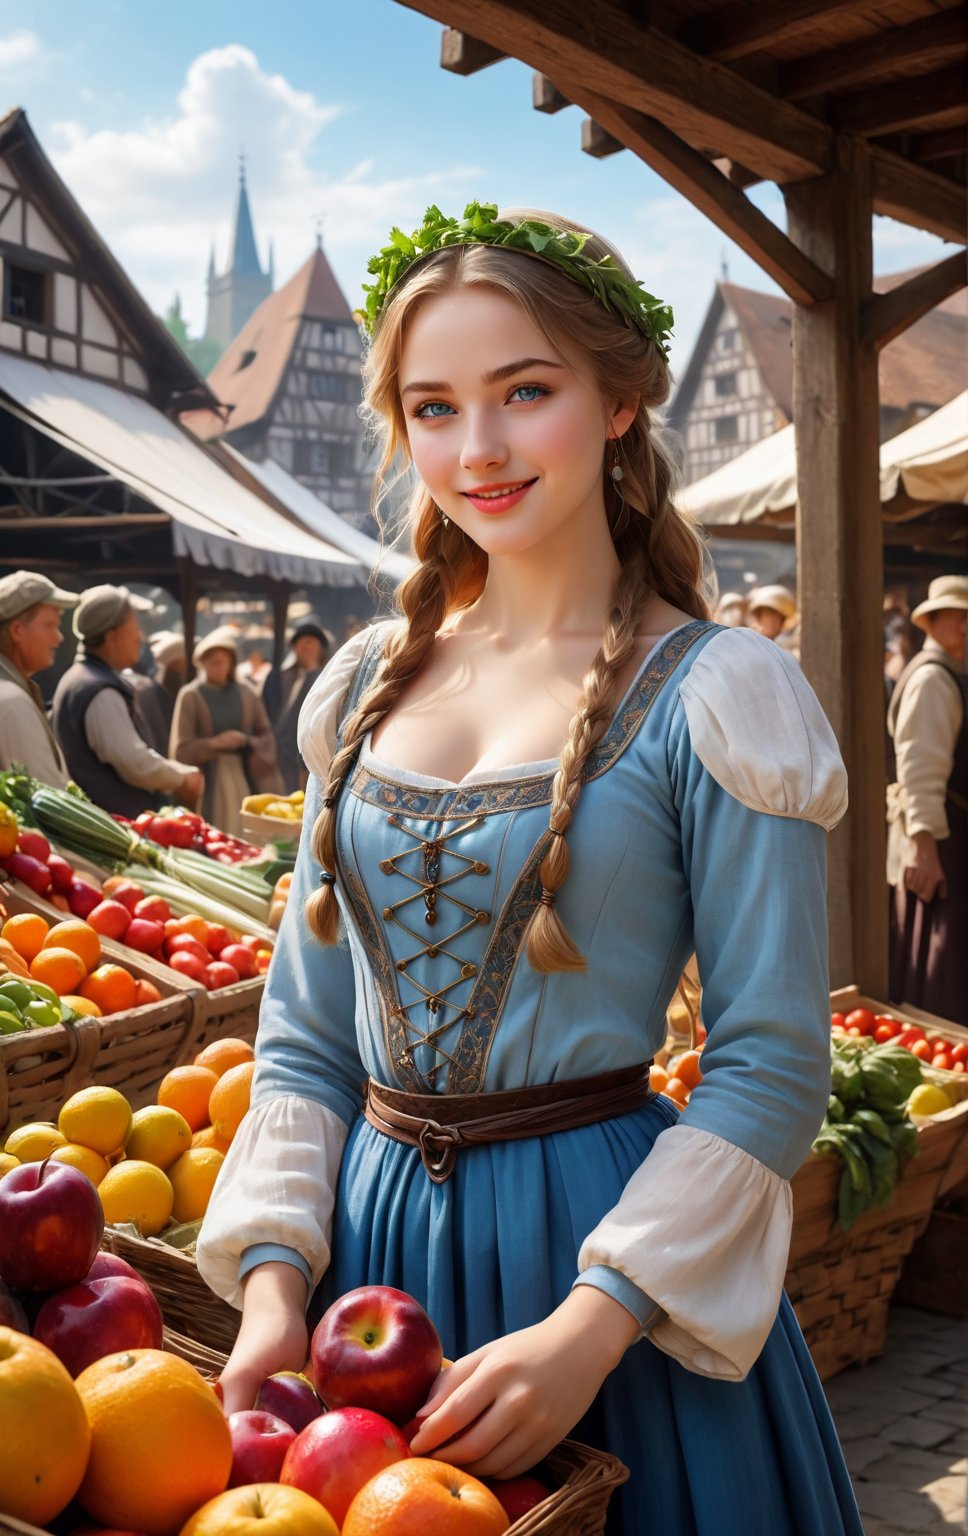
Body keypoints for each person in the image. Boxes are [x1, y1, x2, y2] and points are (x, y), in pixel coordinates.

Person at [196, 203, 859, 1534]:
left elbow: (774, 1060)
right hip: (369, 1289)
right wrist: (276, 1283)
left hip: (607, 1280)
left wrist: (593, 1328)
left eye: (526, 392)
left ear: (621, 402)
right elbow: (308, 1034)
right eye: (433, 408)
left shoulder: (722, 694)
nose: (478, 450)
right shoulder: (362, 694)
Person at [887, 575, 968, 1025]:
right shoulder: (933, 680)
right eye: (957, 618)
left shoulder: (952, 674)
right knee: (939, 955)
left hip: (950, 834)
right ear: (933, 623)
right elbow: (919, 768)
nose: (965, 627)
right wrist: (923, 845)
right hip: (939, 840)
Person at [52, 584, 202, 817]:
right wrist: (182, 779)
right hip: (115, 830)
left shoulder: (82, 679)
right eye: (135, 626)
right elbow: (135, 764)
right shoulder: (98, 690)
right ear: (113, 636)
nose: (140, 636)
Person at [170, 627, 280, 838]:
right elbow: (180, 750)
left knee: (246, 833)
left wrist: (246, 741)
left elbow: (266, 736)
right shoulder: (191, 695)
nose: (218, 667)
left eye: (222, 661)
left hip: (242, 775)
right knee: (213, 832)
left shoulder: (246, 692)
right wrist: (215, 744)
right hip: (209, 781)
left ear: (231, 663)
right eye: (212, 662)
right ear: (202, 664)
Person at [0, 570, 78, 786]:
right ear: (17, 631)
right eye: (50, 626)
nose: (58, 638)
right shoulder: (11, 702)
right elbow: (46, 799)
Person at [261, 615, 335, 792]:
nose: (307, 646)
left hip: (312, 756)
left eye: (312, 642)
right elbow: (264, 713)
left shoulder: (329, 680)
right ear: (294, 647)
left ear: (321, 648)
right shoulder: (276, 679)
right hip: (278, 754)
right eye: (303, 642)